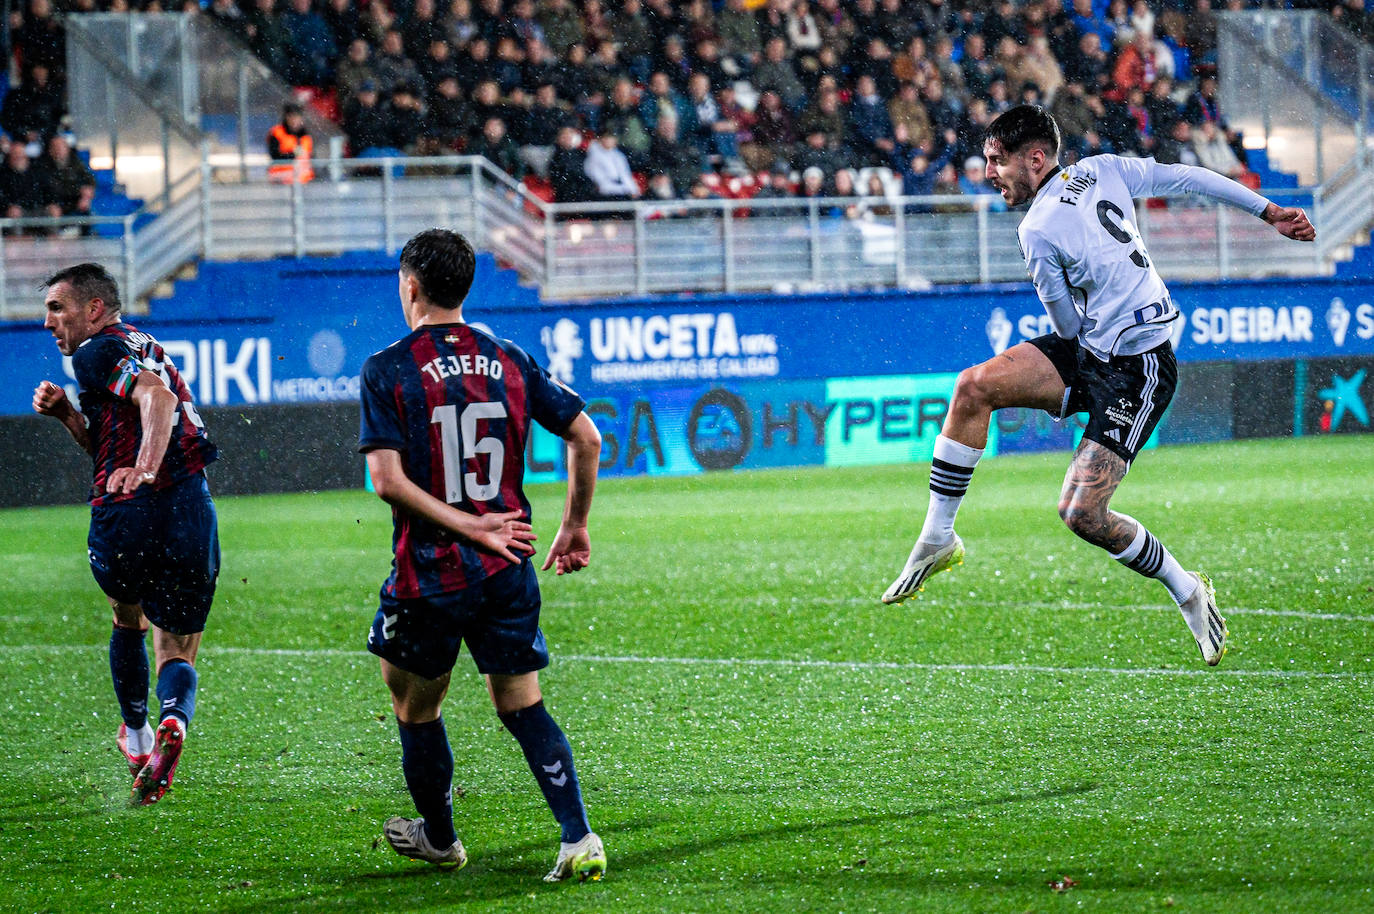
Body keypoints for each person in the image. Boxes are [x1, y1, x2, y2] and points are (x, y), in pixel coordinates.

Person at [880, 105, 1316, 666]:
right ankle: (938, 537)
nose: (988, 172)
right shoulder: (1106, 169)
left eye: (996, 161)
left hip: (1137, 368)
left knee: (1082, 514)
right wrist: (1269, 211)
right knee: (973, 388)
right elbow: (1187, 177)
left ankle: (1186, 589)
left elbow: (1065, 326)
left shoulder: (1034, 229)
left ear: (1035, 160)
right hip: (1097, 347)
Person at [359, 229, 607, 882]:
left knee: (413, 702)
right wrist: (574, 527)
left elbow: (386, 481)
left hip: (431, 576)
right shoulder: (509, 357)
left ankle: (440, 839)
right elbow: (588, 437)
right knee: (521, 703)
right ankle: (578, 836)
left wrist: (469, 528)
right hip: (508, 567)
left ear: (410, 286)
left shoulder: (388, 368)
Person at [32, 263, 219, 804]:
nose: (48, 323)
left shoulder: (96, 351)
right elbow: (118, 435)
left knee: (127, 615)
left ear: (93, 310)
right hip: (191, 504)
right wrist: (70, 416)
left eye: (57, 309)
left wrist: (143, 469)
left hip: (130, 509)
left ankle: (137, 736)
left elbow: (156, 400)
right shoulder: (140, 342)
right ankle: (174, 720)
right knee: (179, 648)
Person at [266, 101, 314, 183]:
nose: (294, 120)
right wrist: (292, 154)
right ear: (286, 117)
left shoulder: (306, 137)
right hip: (281, 180)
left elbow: (311, 159)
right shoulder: (277, 132)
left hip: (303, 182)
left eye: (297, 116)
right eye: (291, 116)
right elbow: (275, 156)